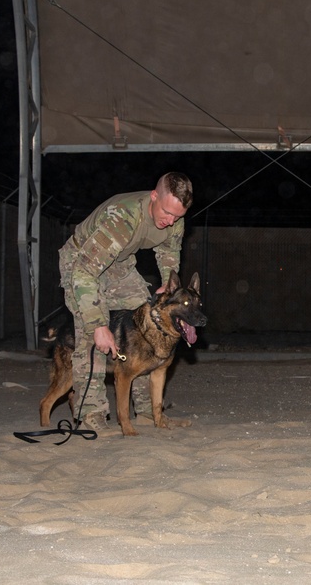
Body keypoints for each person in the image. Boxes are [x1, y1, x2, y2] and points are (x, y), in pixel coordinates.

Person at [58, 172, 193, 435]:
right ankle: (91, 412)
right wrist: (99, 324)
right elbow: (85, 272)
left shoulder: (175, 219)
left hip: (118, 265)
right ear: (154, 196)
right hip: (81, 262)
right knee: (90, 334)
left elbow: (169, 251)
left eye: (177, 216)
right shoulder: (123, 217)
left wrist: (168, 281)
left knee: (147, 319)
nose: (171, 221)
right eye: (167, 213)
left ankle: (145, 410)